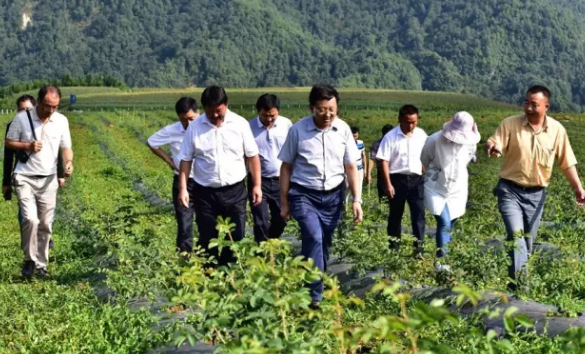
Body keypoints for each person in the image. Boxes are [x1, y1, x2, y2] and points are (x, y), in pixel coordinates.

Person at [485, 85, 585, 290]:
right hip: (509, 190)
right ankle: (523, 289)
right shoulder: (510, 124)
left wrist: (578, 188)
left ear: (546, 106)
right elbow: (495, 142)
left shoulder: (557, 130)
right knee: (517, 236)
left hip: (536, 194)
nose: (528, 108)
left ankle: (514, 287)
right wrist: (491, 146)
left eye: (534, 104)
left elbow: (566, 162)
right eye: (526, 102)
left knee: (527, 243)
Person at [279, 84, 362, 308]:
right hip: (304, 194)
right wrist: (284, 202)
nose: (327, 115)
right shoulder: (297, 131)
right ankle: (314, 296)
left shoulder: (343, 130)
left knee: (323, 243)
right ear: (311, 108)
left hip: (334, 196)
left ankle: (313, 279)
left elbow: (351, 167)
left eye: (331, 110)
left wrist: (357, 199)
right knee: (314, 237)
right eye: (322, 110)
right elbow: (286, 167)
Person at [178, 86, 261, 267]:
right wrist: (183, 188)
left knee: (236, 235)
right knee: (208, 238)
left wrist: (256, 185)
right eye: (210, 112)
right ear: (204, 108)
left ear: (226, 105)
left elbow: (252, 156)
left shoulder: (240, 124)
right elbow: (185, 160)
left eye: (219, 111)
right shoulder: (195, 128)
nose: (215, 116)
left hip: (235, 191)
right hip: (205, 193)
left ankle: (228, 271)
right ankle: (211, 277)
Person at [5, 85, 74, 278]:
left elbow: (66, 147)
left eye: (55, 106)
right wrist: (27, 145)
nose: (50, 110)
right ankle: (29, 259)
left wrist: (68, 162)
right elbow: (8, 142)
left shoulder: (61, 121)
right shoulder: (22, 118)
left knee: (45, 223)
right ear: (39, 101)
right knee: (29, 219)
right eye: (47, 106)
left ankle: (41, 265)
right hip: (25, 176)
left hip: (48, 179)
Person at [3, 95, 65, 250]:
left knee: (44, 212)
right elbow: (8, 155)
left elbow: (55, 152)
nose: (24, 112)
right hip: (24, 175)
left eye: (28, 109)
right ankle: (29, 244)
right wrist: (5, 182)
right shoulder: (14, 125)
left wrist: (60, 174)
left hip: (45, 175)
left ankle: (45, 239)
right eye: (21, 109)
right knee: (26, 213)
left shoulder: (46, 125)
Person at [420, 112, 480, 272]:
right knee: (444, 221)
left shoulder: (470, 142)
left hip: (457, 187)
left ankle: (445, 255)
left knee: (451, 221)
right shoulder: (434, 140)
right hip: (436, 186)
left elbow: (468, 159)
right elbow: (424, 159)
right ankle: (442, 263)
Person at [147, 97, 199, 253]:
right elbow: (152, 142)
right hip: (183, 182)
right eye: (183, 120)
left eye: (191, 118)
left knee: (207, 223)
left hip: (205, 182)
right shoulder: (172, 130)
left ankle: (207, 262)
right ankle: (184, 261)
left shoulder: (207, 127)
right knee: (184, 223)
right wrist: (170, 161)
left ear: (199, 113)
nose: (188, 123)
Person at [376, 105, 428, 258]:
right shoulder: (390, 137)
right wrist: (388, 184)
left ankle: (418, 250)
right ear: (399, 119)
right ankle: (394, 249)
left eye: (414, 122)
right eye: (407, 122)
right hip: (397, 180)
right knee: (395, 216)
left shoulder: (421, 135)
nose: (410, 125)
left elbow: (426, 157)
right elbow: (383, 161)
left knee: (418, 215)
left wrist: (430, 177)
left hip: (417, 180)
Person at [248, 94, 292, 243]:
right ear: (258, 112)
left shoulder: (286, 125)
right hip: (258, 181)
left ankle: (269, 244)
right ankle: (261, 254)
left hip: (282, 180)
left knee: (282, 218)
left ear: (278, 111)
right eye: (264, 116)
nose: (269, 119)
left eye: (272, 116)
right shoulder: (249, 127)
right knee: (260, 220)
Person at [367, 124, 394, 202]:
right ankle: (383, 212)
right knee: (383, 196)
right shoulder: (377, 144)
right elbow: (372, 159)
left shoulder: (396, 143)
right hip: (382, 173)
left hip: (395, 172)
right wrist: (369, 174)